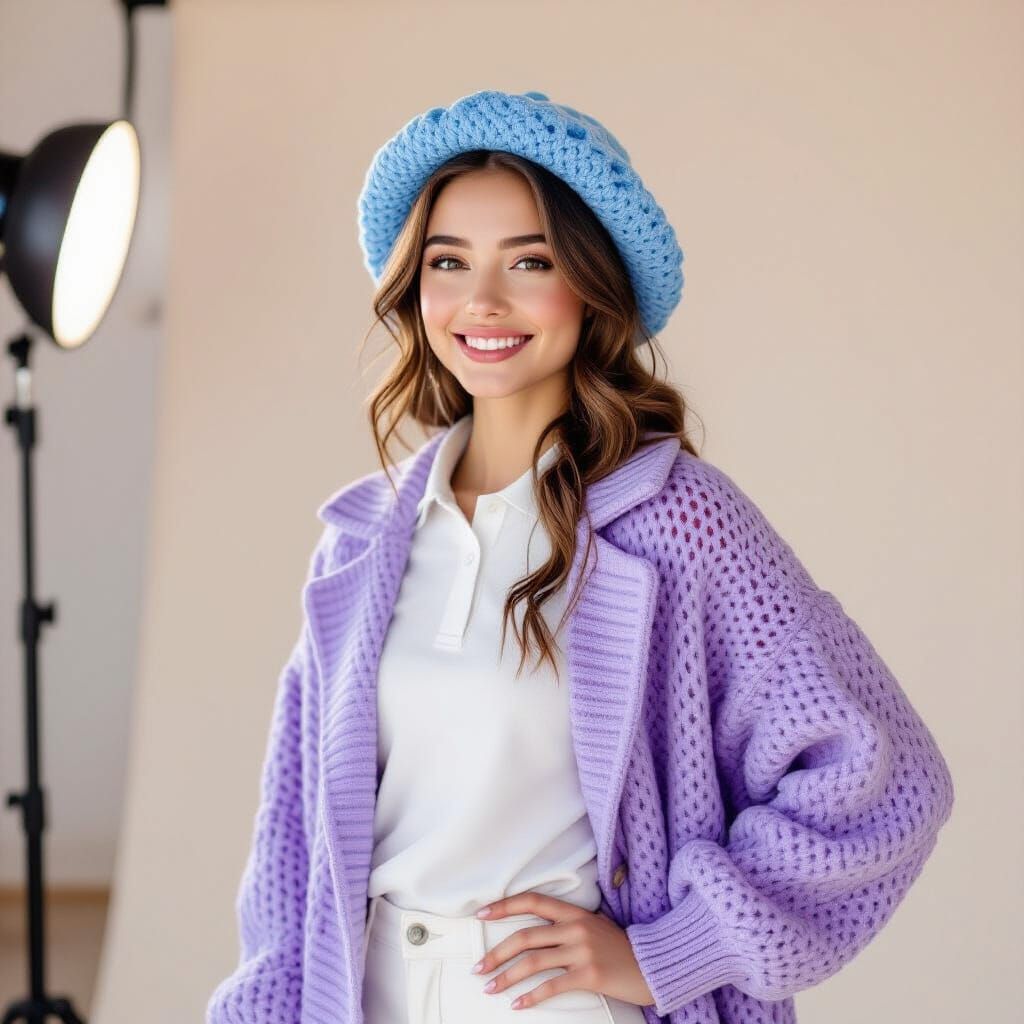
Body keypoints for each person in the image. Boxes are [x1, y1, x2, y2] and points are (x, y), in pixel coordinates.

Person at [206, 90, 955, 1024]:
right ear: (416, 286)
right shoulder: (361, 542)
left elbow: (881, 774)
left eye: (530, 261)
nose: (483, 300)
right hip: (368, 999)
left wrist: (668, 954)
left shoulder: (678, 521)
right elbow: (291, 860)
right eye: (449, 261)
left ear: (591, 286)